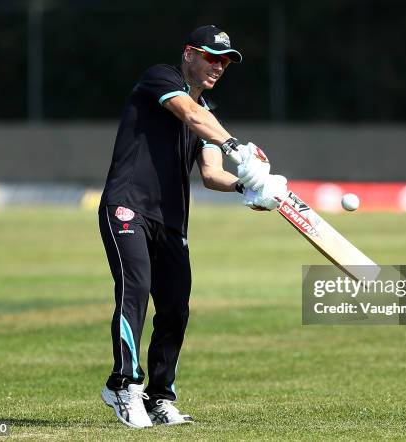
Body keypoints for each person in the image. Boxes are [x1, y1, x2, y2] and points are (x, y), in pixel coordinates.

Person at [98, 24, 287, 428]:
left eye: (224, 61)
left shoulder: (209, 117)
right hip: (127, 206)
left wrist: (246, 187)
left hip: (170, 221)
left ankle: (159, 397)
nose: (218, 67)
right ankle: (123, 386)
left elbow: (210, 173)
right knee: (135, 293)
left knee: (175, 307)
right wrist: (238, 147)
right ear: (189, 53)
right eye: (211, 57)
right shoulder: (161, 78)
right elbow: (188, 111)